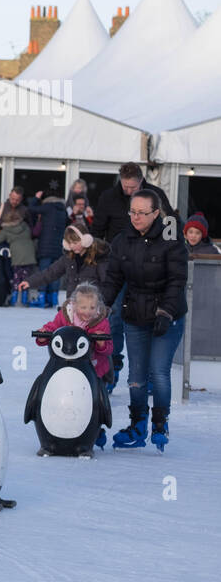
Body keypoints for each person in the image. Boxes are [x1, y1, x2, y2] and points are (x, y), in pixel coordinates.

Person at [100, 190, 187, 451]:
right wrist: (102, 306)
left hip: (167, 316)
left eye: (142, 213)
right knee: (136, 376)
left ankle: (160, 424)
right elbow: (114, 278)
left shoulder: (171, 240)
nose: (135, 217)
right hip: (135, 313)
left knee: (158, 372)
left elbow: (177, 281)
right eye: (132, 212)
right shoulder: (122, 240)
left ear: (156, 214)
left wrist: (166, 312)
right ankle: (138, 424)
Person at [91, 162, 176, 387]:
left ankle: (146, 374)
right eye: (126, 186)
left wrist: (176, 247)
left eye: (133, 186)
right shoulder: (109, 197)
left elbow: (171, 224)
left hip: (152, 267)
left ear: (141, 180)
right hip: (119, 265)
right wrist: (95, 252)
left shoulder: (155, 195)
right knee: (115, 319)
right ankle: (112, 368)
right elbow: (98, 229)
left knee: (148, 320)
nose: (129, 191)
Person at [35, 282, 114, 413]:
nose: (88, 312)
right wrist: (44, 334)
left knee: (93, 402)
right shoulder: (65, 316)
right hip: (66, 365)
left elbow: (109, 348)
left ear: (98, 306)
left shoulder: (101, 322)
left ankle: (98, 426)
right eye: (83, 307)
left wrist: (101, 343)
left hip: (94, 368)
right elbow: (53, 327)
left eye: (92, 307)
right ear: (74, 305)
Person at [18, 223, 111, 304]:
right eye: (69, 243)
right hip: (73, 304)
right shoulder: (68, 258)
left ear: (86, 239)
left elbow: (107, 283)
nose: (72, 246)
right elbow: (50, 272)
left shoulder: (98, 258)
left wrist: (103, 304)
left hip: (91, 306)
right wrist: (30, 281)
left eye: (75, 242)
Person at [0, 187, 37, 305]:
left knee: (16, 278)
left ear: (21, 199)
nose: (14, 201)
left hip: (17, 256)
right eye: (13, 198)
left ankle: (15, 300)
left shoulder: (24, 211)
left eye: (17, 200)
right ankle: (24, 300)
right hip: (29, 255)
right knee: (26, 278)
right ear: (9, 195)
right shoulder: (1, 207)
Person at [27, 185, 69, 307]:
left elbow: (31, 208)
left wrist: (36, 198)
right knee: (56, 273)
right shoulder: (63, 210)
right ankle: (53, 299)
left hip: (45, 246)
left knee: (45, 272)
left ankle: (41, 298)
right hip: (58, 247)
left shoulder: (47, 207)